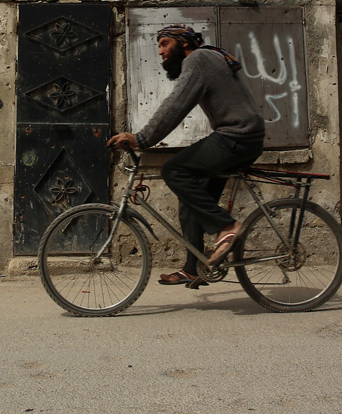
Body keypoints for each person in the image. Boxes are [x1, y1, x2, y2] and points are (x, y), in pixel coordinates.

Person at [108, 24, 265, 288]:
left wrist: (141, 139)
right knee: (190, 199)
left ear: (183, 43)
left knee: (174, 170)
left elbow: (175, 105)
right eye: (159, 46)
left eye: (165, 43)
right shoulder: (204, 59)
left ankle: (227, 228)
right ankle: (193, 268)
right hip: (242, 138)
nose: (160, 52)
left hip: (238, 137)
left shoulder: (198, 59)